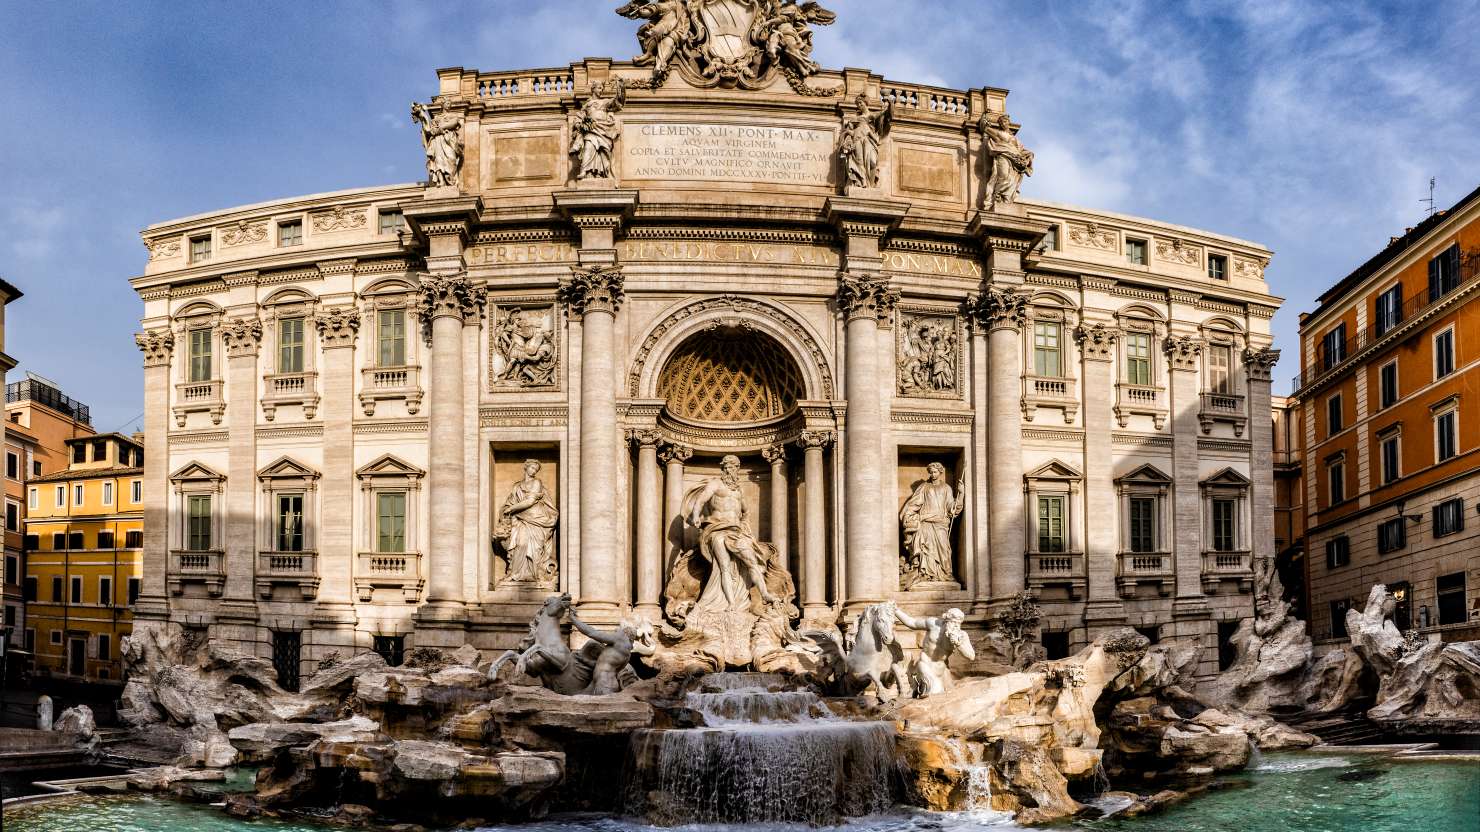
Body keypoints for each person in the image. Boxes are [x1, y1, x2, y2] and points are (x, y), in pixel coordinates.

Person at [684, 455, 778, 609]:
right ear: (722, 469)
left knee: (752, 562)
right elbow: (700, 501)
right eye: (726, 467)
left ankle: (765, 594)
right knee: (724, 567)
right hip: (717, 530)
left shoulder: (739, 490)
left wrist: (745, 527)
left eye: (732, 467)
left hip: (736, 531)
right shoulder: (715, 484)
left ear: (737, 469)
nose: (728, 470)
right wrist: (695, 516)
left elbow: (746, 512)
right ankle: (731, 603)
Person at [493, 460, 558, 585]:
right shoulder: (517, 486)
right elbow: (509, 502)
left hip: (536, 519)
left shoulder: (536, 483)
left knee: (531, 548)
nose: (533, 471)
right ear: (526, 468)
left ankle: (532, 575)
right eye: (532, 468)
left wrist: (512, 509)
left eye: (536, 470)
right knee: (519, 545)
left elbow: (530, 501)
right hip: (519, 519)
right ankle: (514, 573)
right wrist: (506, 510)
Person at [899, 463, 964, 586]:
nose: (933, 474)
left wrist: (961, 494)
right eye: (931, 472)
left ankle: (944, 574)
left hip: (940, 523)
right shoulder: (924, 487)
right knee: (926, 550)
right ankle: (926, 575)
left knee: (944, 550)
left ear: (940, 472)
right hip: (926, 523)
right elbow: (914, 504)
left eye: (935, 472)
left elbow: (952, 507)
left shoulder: (946, 488)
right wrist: (908, 515)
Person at [895, 607, 974, 696]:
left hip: (941, 669)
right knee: (935, 692)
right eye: (953, 622)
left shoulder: (961, 635)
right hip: (925, 663)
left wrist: (959, 644)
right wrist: (895, 610)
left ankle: (916, 688)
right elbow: (912, 623)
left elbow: (971, 656)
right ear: (946, 620)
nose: (955, 626)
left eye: (958, 623)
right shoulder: (933, 624)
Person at [980, 112, 1033, 209]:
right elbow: (984, 128)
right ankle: (997, 197)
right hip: (1003, 156)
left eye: (1005, 122)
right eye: (1002, 122)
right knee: (1003, 177)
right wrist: (985, 116)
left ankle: (1006, 201)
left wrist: (1029, 155)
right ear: (1000, 124)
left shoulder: (1014, 138)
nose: (1004, 124)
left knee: (1011, 181)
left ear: (1008, 123)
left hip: (1015, 161)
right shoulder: (997, 133)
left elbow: (1021, 150)